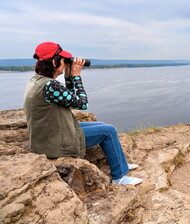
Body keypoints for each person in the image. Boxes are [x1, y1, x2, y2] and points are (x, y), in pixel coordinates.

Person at [23, 42, 142, 185]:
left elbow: (67, 99)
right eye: (63, 59)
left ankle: (120, 164)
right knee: (108, 131)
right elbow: (82, 103)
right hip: (55, 141)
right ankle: (119, 177)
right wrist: (76, 76)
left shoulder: (38, 81)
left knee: (102, 125)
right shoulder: (50, 85)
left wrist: (68, 78)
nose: (66, 62)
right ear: (55, 62)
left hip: (50, 133)